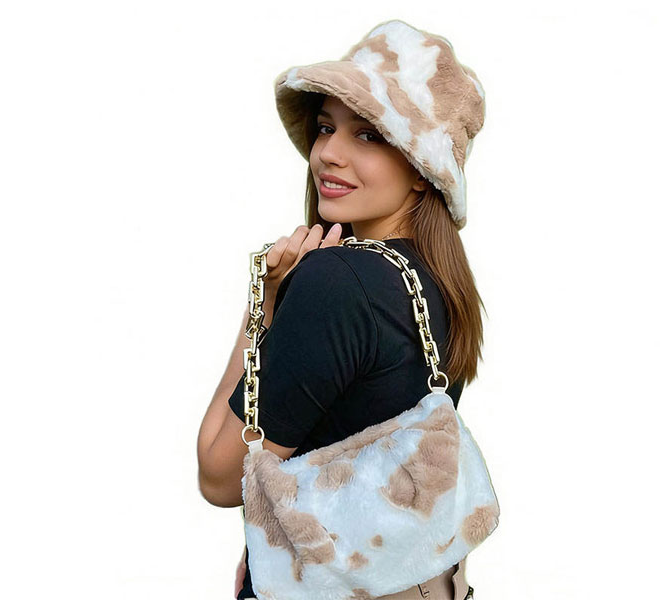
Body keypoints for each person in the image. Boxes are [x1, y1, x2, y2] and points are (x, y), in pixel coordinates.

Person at [197, 19, 486, 600]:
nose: (328, 153)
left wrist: (263, 306)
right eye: (326, 127)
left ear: (423, 169)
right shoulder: (441, 284)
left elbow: (220, 476)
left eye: (369, 135)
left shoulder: (336, 282)